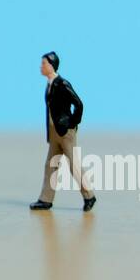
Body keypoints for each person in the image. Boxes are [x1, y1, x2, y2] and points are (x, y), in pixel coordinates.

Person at [30, 51, 96, 212]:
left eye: (43, 63)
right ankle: (46, 199)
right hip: (54, 133)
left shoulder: (63, 84)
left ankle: (89, 196)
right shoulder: (49, 84)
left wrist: (72, 123)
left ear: (51, 65)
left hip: (65, 133)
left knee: (73, 165)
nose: (41, 66)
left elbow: (79, 104)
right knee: (50, 165)